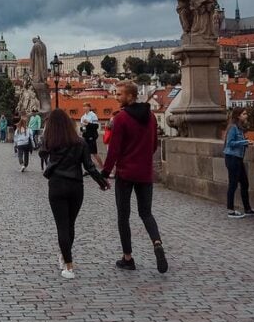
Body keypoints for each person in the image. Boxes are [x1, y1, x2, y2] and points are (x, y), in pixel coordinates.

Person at [101, 81, 168, 273]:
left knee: (123, 216)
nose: (116, 97)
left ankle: (128, 258)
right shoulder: (152, 117)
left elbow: (114, 150)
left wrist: (105, 174)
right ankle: (157, 243)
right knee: (146, 213)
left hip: (125, 173)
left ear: (131, 96)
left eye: (120, 94)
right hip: (145, 172)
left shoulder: (121, 119)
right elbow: (154, 145)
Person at [39, 109, 110, 279]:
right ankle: (65, 257)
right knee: (70, 224)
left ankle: (68, 265)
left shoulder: (49, 140)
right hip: (76, 187)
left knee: (62, 226)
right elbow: (90, 166)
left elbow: (42, 154)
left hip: (57, 186)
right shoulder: (80, 142)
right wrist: (102, 182)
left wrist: (46, 133)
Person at [223, 107, 254, 218]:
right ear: (238, 116)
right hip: (232, 158)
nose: (246, 115)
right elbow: (230, 143)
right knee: (233, 184)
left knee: (244, 183)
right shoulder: (233, 127)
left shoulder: (239, 128)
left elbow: (236, 143)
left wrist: (246, 143)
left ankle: (247, 209)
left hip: (237, 158)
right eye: (244, 114)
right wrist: (245, 141)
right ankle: (230, 210)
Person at [79, 104, 101, 169]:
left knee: (94, 152)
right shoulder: (83, 117)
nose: (85, 108)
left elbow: (96, 126)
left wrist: (88, 123)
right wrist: (82, 129)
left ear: (89, 108)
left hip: (92, 136)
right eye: (84, 107)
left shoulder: (93, 115)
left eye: (86, 106)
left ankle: (102, 167)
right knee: (86, 153)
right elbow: (83, 128)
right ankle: (89, 168)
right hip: (85, 136)